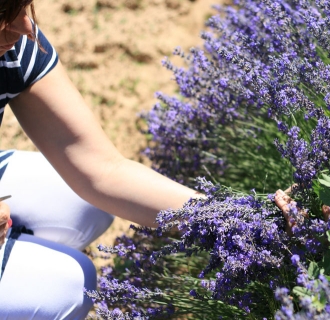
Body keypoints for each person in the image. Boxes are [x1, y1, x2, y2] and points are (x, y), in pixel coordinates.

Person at [0, 2, 205, 318]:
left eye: (23, 5)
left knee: (82, 203)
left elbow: (102, 169)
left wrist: (226, 217)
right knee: (64, 289)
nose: (25, 26)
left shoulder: (14, 46)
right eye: (3, 15)